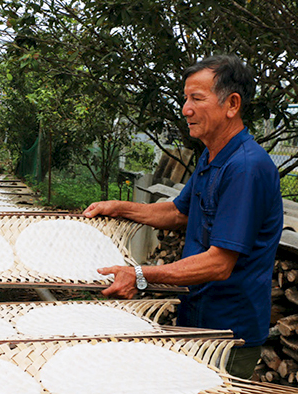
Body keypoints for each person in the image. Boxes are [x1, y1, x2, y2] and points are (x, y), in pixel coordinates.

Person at [83, 54, 283, 379]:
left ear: (232, 104)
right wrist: (120, 208)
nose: (185, 109)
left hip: (228, 333)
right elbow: (177, 212)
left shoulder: (246, 167)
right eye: (185, 98)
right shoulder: (213, 155)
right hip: (197, 318)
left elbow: (219, 263)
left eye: (196, 99)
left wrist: (141, 274)